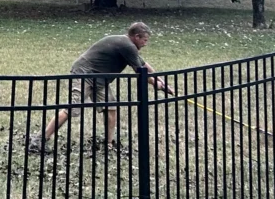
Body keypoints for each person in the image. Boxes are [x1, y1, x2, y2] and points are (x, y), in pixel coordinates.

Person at [28, 21, 172, 153]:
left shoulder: (126, 44)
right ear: (136, 36)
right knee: (72, 109)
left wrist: (163, 82)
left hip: (100, 79)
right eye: (144, 40)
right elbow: (140, 71)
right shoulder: (127, 45)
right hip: (84, 74)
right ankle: (39, 139)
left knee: (111, 108)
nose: (145, 44)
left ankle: (108, 145)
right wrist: (157, 85)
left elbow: (144, 65)